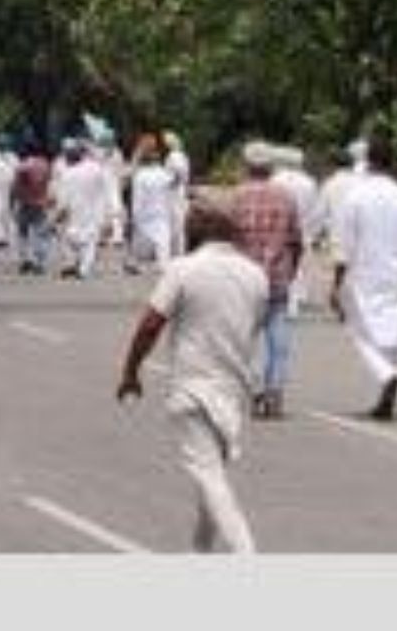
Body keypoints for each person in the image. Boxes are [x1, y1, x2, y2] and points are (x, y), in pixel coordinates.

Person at [117, 196, 269, 553]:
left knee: (210, 478)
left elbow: (151, 323)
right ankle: (199, 555)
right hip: (233, 390)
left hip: (192, 388)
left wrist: (130, 371)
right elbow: (254, 328)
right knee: (210, 478)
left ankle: (246, 554)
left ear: (198, 231)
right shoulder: (255, 274)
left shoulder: (184, 269)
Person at [331, 133, 397, 420]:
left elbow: (343, 244)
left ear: (368, 161)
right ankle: (389, 391)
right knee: (394, 333)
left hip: (364, 275)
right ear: (393, 162)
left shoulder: (356, 197)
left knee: (360, 331)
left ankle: (388, 375)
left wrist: (337, 283)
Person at [233, 142, 303, 419]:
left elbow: (225, 237)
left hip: (241, 279)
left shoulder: (235, 197)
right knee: (278, 341)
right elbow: (296, 240)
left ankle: (253, 388)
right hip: (276, 276)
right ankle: (274, 390)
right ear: (271, 167)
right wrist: (292, 270)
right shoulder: (286, 197)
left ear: (247, 166)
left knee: (241, 340)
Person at [270, 146, 320, 316]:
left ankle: (286, 297)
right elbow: (314, 207)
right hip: (303, 223)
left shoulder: (275, 180)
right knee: (300, 260)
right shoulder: (309, 182)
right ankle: (298, 295)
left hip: (280, 226)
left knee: (282, 260)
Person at [53, 138, 109, 279]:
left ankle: (73, 264)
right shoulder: (95, 168)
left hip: (75, 211)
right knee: (90, 241)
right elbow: (104, 187)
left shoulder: (67, 174)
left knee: (71, 238)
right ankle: (83, 268)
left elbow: (63, 199)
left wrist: (58, 214)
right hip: (94, 210)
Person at [125, 135, 174, 275]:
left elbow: (137, 198)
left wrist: (134, 216)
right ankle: (162, 264)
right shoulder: (163, 174)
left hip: (145, 214)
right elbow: (174, 183)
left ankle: (134, 262)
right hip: (160, 213)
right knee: (162, 242)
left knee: (140, 241)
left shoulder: (141, 176)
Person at [12, 141, 53, 275]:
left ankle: (25, 260)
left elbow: (15, 187)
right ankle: (39, 262)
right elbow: (49, 183)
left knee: (22, 234)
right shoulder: (46, 165)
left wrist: (13, 202)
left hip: (25, 203)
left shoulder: (22, 166)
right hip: (41, 203)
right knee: (40, 234)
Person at [163, 132, 191, 257]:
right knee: (178, 221)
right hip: (179, 191)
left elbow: (178, 173)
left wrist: (171, 185)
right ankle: (178, 250)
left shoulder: (174, 155)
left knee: (175, 221)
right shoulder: (182, 155)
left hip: (175, 193)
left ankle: (177, 251)